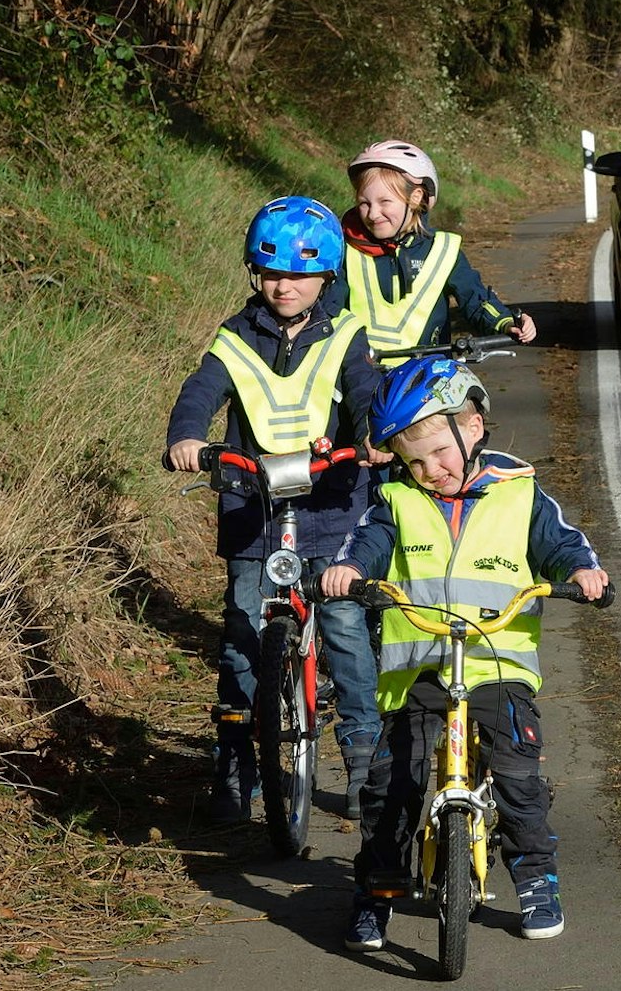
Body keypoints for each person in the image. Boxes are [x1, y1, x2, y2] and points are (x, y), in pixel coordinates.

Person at [321, 356, 609, 950]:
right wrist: (349, 569)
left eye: (438, 453)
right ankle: (378, 891)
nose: (430, 471)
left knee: (517, 776)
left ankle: (536, 880)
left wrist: (581, 571)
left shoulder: (519, 494)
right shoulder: (394, 502)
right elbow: (368, 543)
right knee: (389, 782)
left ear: (472, 427)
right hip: (418, 669)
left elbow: (560, 543)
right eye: (413, 461)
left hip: (497, 666)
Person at [164, 196, 384, 823]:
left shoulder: (345, 334)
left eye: (298, 274)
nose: (283, 286)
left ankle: (364, 757)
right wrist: (187, 437)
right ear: (254, 274)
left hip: (333, 505)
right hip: (252, 507)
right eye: (271, 273)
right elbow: (201, 390)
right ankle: (234, 763)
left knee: (342, 624)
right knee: (241, 636)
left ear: (326, 278)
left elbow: (367, 392)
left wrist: (370, 438)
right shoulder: (234, 337)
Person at [328, 140, 539, 356]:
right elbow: (327, 311)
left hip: (429, 376)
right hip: (361, 378)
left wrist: (504, 322)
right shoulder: (343, 252)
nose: (373, 214)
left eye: (385, 202)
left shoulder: (443, 251)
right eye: (365, 203)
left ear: (415, 198)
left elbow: (475, 299)